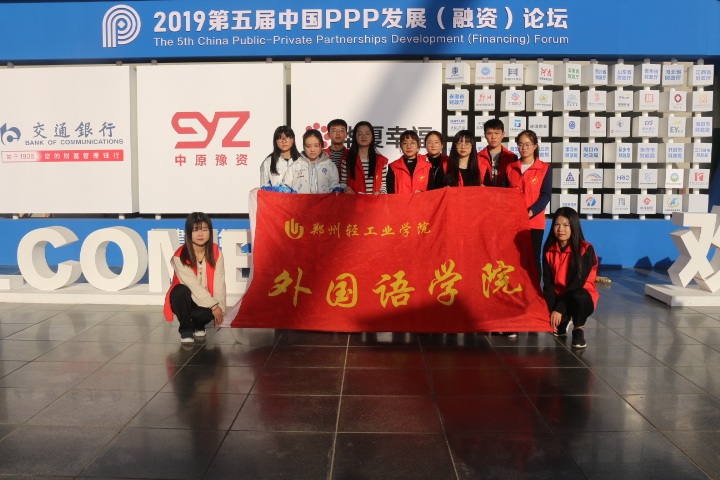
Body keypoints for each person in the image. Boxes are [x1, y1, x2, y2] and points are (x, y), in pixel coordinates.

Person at [164, 212, 226, 344]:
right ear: (188, 232)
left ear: (210, 232)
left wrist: (219, 307)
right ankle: (186, 330)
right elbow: (193, 286)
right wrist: (214, 306)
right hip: (185, 299)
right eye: (195, 230)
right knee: (180, 291)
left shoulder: (216, 253)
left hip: (205, 300)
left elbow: (219, 282)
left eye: (204, 229)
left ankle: (198, 325)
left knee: (209, 312)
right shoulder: (180, 255)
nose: (200, 234)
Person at [543, 207, 599, 348]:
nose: (560, 229)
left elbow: (577, 283)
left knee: (578, 295)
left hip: (581, 297)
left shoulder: (585, 249)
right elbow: (548, 284)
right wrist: (550, 311)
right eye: (557, 224)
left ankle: (578, 329)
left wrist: (559, 309)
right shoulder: (549, 249)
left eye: (566, 225)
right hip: (559, 296)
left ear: (574, 226)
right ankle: (563, 321)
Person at [505, 129, 552, 282]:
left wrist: (531, 211)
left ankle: (535, 291)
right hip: (514, 222)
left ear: (535, 146)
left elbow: (545, 195)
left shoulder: (545, 168)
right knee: (514, 258)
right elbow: (504, 194)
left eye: (527, 144)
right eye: (520, 144)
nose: (524, 148)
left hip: (534, 222)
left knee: (533, 258)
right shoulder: (510, 168)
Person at [283, 129, 342, 193]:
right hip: (300, 199)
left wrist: (336, 190)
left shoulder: (330, 165)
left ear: (322, 146)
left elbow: (334, 186)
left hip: (324, 200)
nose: (312, 150)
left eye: (316, 146)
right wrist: (283, 189)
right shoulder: (295, 166)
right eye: (308, 146)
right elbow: (286, 186)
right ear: (304, 147)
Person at [340, 121, 388, 195]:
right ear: (355, 137)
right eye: (360, 134)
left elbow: (383, 187)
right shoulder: (347, 159)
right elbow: (342, 184)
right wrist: (345, 189)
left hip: (374, 201)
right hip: (354, 201)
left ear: (372, 137)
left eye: (367, 133)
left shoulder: (380, 160)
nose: (364, 136)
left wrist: (380, 193)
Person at [478, 119, 517, 187]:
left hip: (504, 193)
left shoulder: (512, 157)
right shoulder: (477, 157)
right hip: (484, 193)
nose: (493, 137)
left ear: (503, 134)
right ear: (485, 135)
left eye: (497, 133)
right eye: (489, 133)